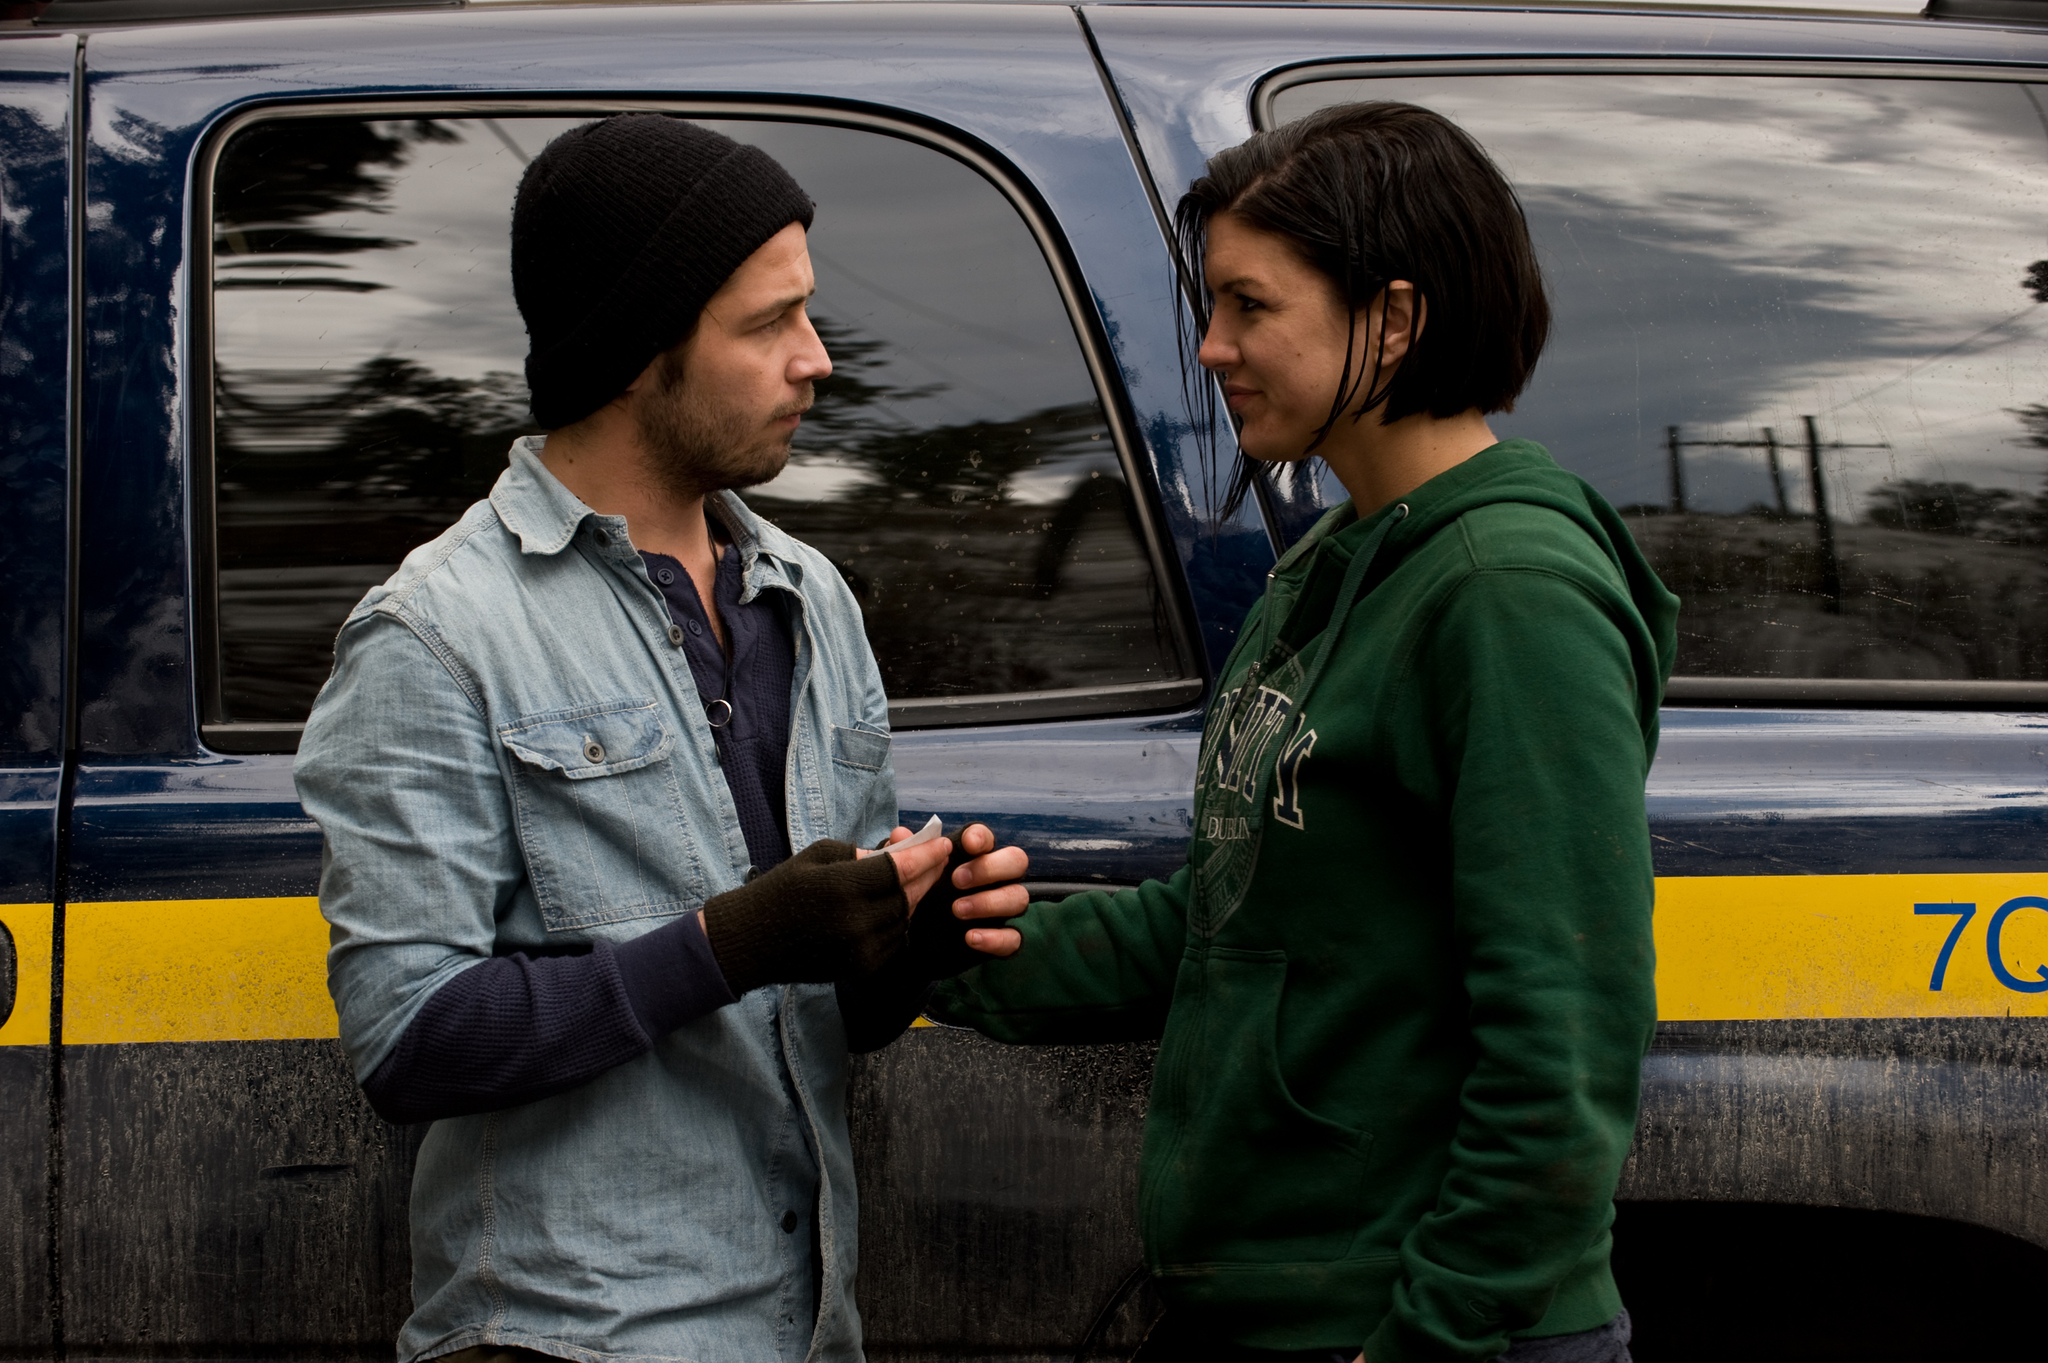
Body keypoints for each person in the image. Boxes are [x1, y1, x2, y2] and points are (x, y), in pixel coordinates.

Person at [928, 102, 1679, 1363]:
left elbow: (1563, 1044)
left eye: (1248, 306)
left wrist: (1425, 1339)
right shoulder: (1334, 562)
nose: (1212, 348)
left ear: (1392, 319)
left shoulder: (1506, 590)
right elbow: (1231, 919)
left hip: (1412, 1325)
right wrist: (925, 949)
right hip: (1275, 1311)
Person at [293, 114, 1027, 1363]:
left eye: (808, 313)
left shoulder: (805, 593)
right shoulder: (435, 631)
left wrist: (902, 947)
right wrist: (725, 942)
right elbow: (408, 1041)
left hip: (807, 1326)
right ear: (639, 351)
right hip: (576, 1337)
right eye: (766, 325)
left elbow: (811, 1018)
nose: (817, 362)